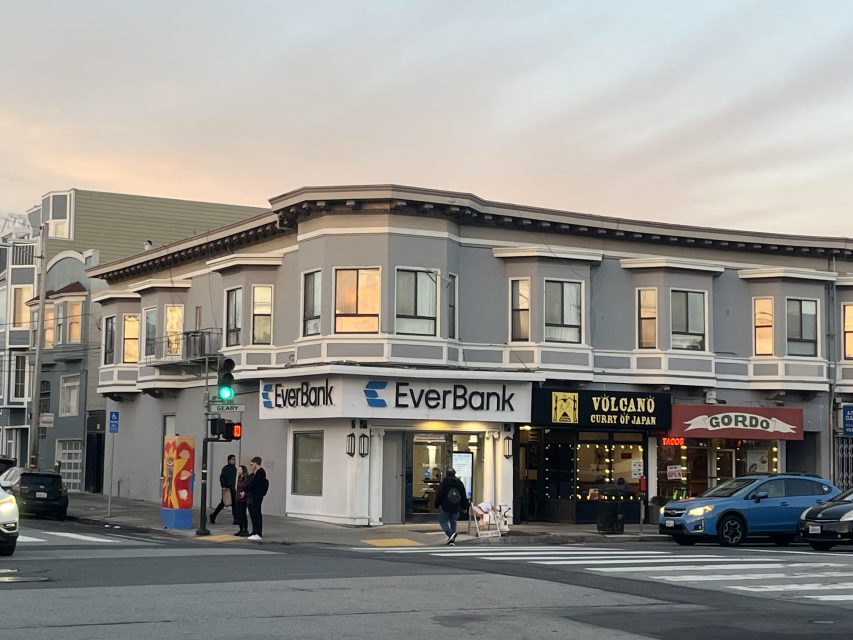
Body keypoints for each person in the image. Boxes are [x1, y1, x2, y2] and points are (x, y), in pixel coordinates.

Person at [433, 468, 469, 545]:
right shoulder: (459, 483)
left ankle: (450, 534)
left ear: (446, 474)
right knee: (453, 522)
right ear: (454, 473)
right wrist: (465, 506)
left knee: (443, 521)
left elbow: (440, 495)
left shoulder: (444, 482)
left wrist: (436, 504)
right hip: (456, 506)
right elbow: (463, 495)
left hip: (446, 506)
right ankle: (452, 540)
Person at [240, 456, 268, 541]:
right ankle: (254, 531)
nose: (251, 466)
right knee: (252, 514)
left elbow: (253, 483)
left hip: (257, 496)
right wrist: (244, 490)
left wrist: (244, 490)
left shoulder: (261, 472)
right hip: (251, 496)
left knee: (257, 514)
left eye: (252, 465)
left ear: (256, 464)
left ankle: (258, 533)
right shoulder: (253, 474)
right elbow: (248, 482)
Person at [210, 454, 237, 525]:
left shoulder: (234, 468)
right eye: (233, 459)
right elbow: (222, 478)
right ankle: (213, 515)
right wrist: (223, 486)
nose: (234, 461)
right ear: (229, 460)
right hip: (227, 488)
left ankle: (236, 519)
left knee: (234, 503)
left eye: (234, 459)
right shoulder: (226, 468)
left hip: (232, 488)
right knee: (224, 503)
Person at [233, 465, 250, 537]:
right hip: (237, 498)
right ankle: (241, 529)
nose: (238, 471)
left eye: (240, 470)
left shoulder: (246, 478)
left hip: (243, 499)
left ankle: (245, 530)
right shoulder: (239, 478)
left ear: (243, 470)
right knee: (239, 515)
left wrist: (244, 495)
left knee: (243, 515)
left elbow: (246, 488)